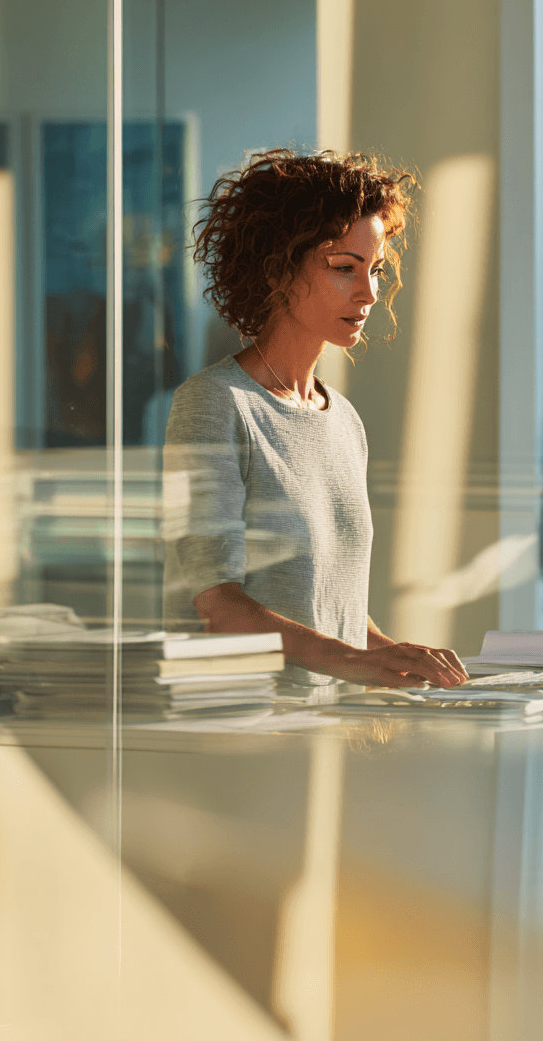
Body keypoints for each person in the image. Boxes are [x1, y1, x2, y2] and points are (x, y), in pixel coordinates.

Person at [162, 150, 468, 689]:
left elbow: (330, 612)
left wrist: (393, 653)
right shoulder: (214, 403)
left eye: (374, 270)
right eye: (343, 268)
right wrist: (352, 661)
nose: (369, 292)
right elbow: (217, 607)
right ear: (277, 268)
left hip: (330, 728)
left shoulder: (342, 420)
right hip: (247, 731)